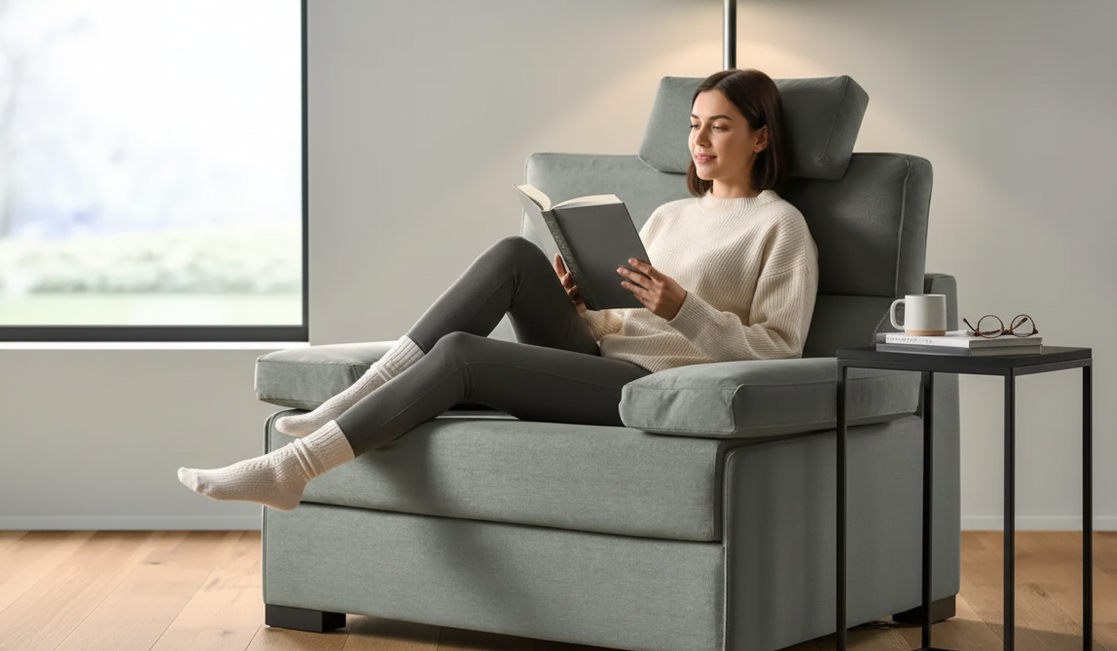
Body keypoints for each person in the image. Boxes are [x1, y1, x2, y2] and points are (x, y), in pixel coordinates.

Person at [178, 68, 819, 511]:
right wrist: (583, 308)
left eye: (721, 127)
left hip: (647, 389)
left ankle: (293, 470)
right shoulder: (670, 217)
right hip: (599, 358)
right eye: (694, 124)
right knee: (516, 254)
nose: (699, 141)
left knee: (462, 353)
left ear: (760, 137)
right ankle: (351, 399)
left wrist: (685, 307)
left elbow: (781, 356)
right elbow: (623, 320)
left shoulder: (779, 226)